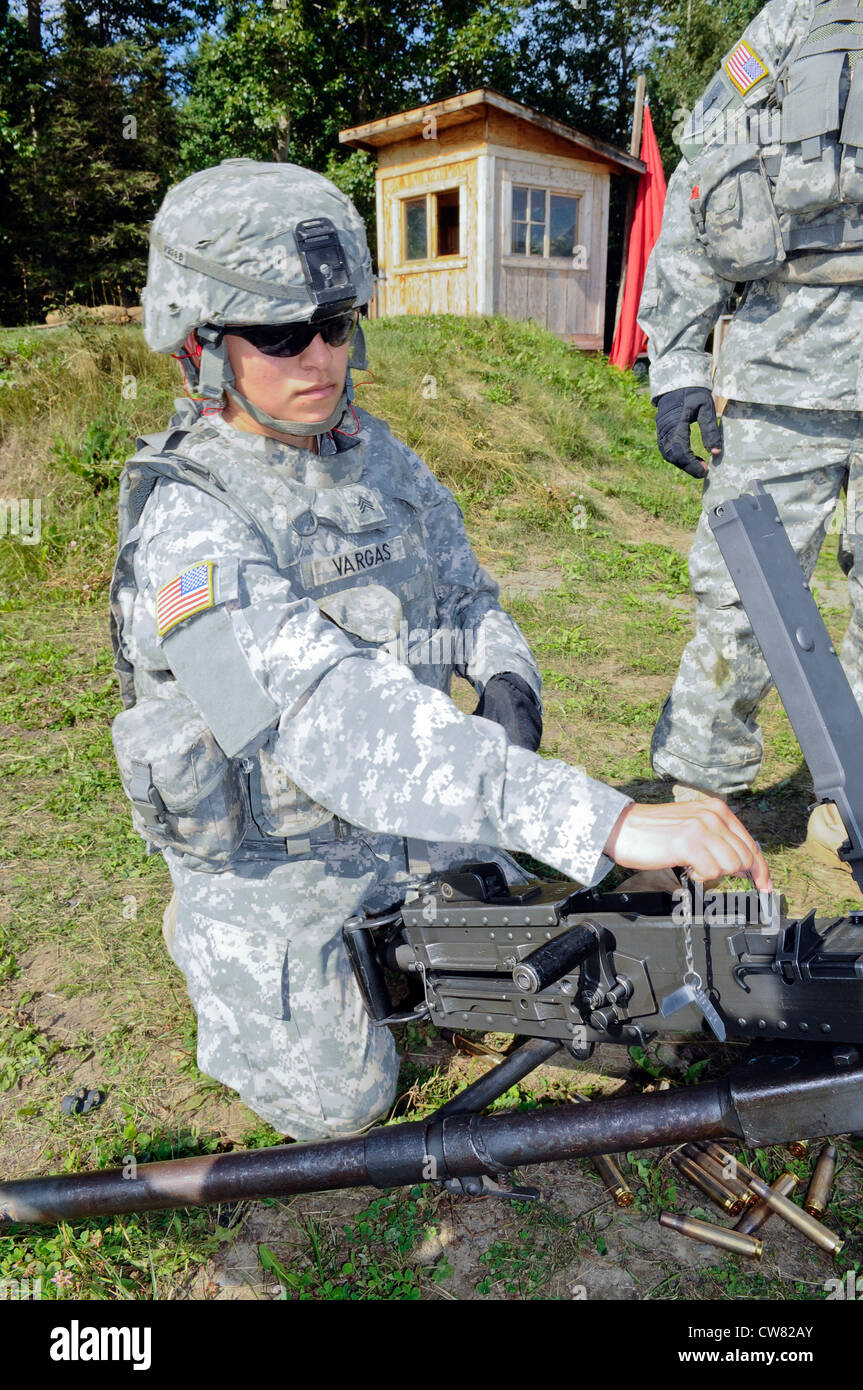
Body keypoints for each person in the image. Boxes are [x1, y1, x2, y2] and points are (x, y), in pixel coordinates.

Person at [109, 158, 769, 1142]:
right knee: (342, 1102)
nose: (320, 356)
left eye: (334, 323)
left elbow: (465, 593)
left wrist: (506, 677)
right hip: (275, 854)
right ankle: (211, 937)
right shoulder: (185, 534)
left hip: (406, 820)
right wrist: (603, 817)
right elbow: (323, 718)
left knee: (579, 978)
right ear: (196, 346)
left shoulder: (375, 458)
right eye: (280, 333)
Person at [639, 0, 863, 871]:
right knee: (742, 595)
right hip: (779, 378)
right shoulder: (786, 28)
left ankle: (850, 800)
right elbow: (703, 182)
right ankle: (699, 798)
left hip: (783, 377)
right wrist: (680, 366)